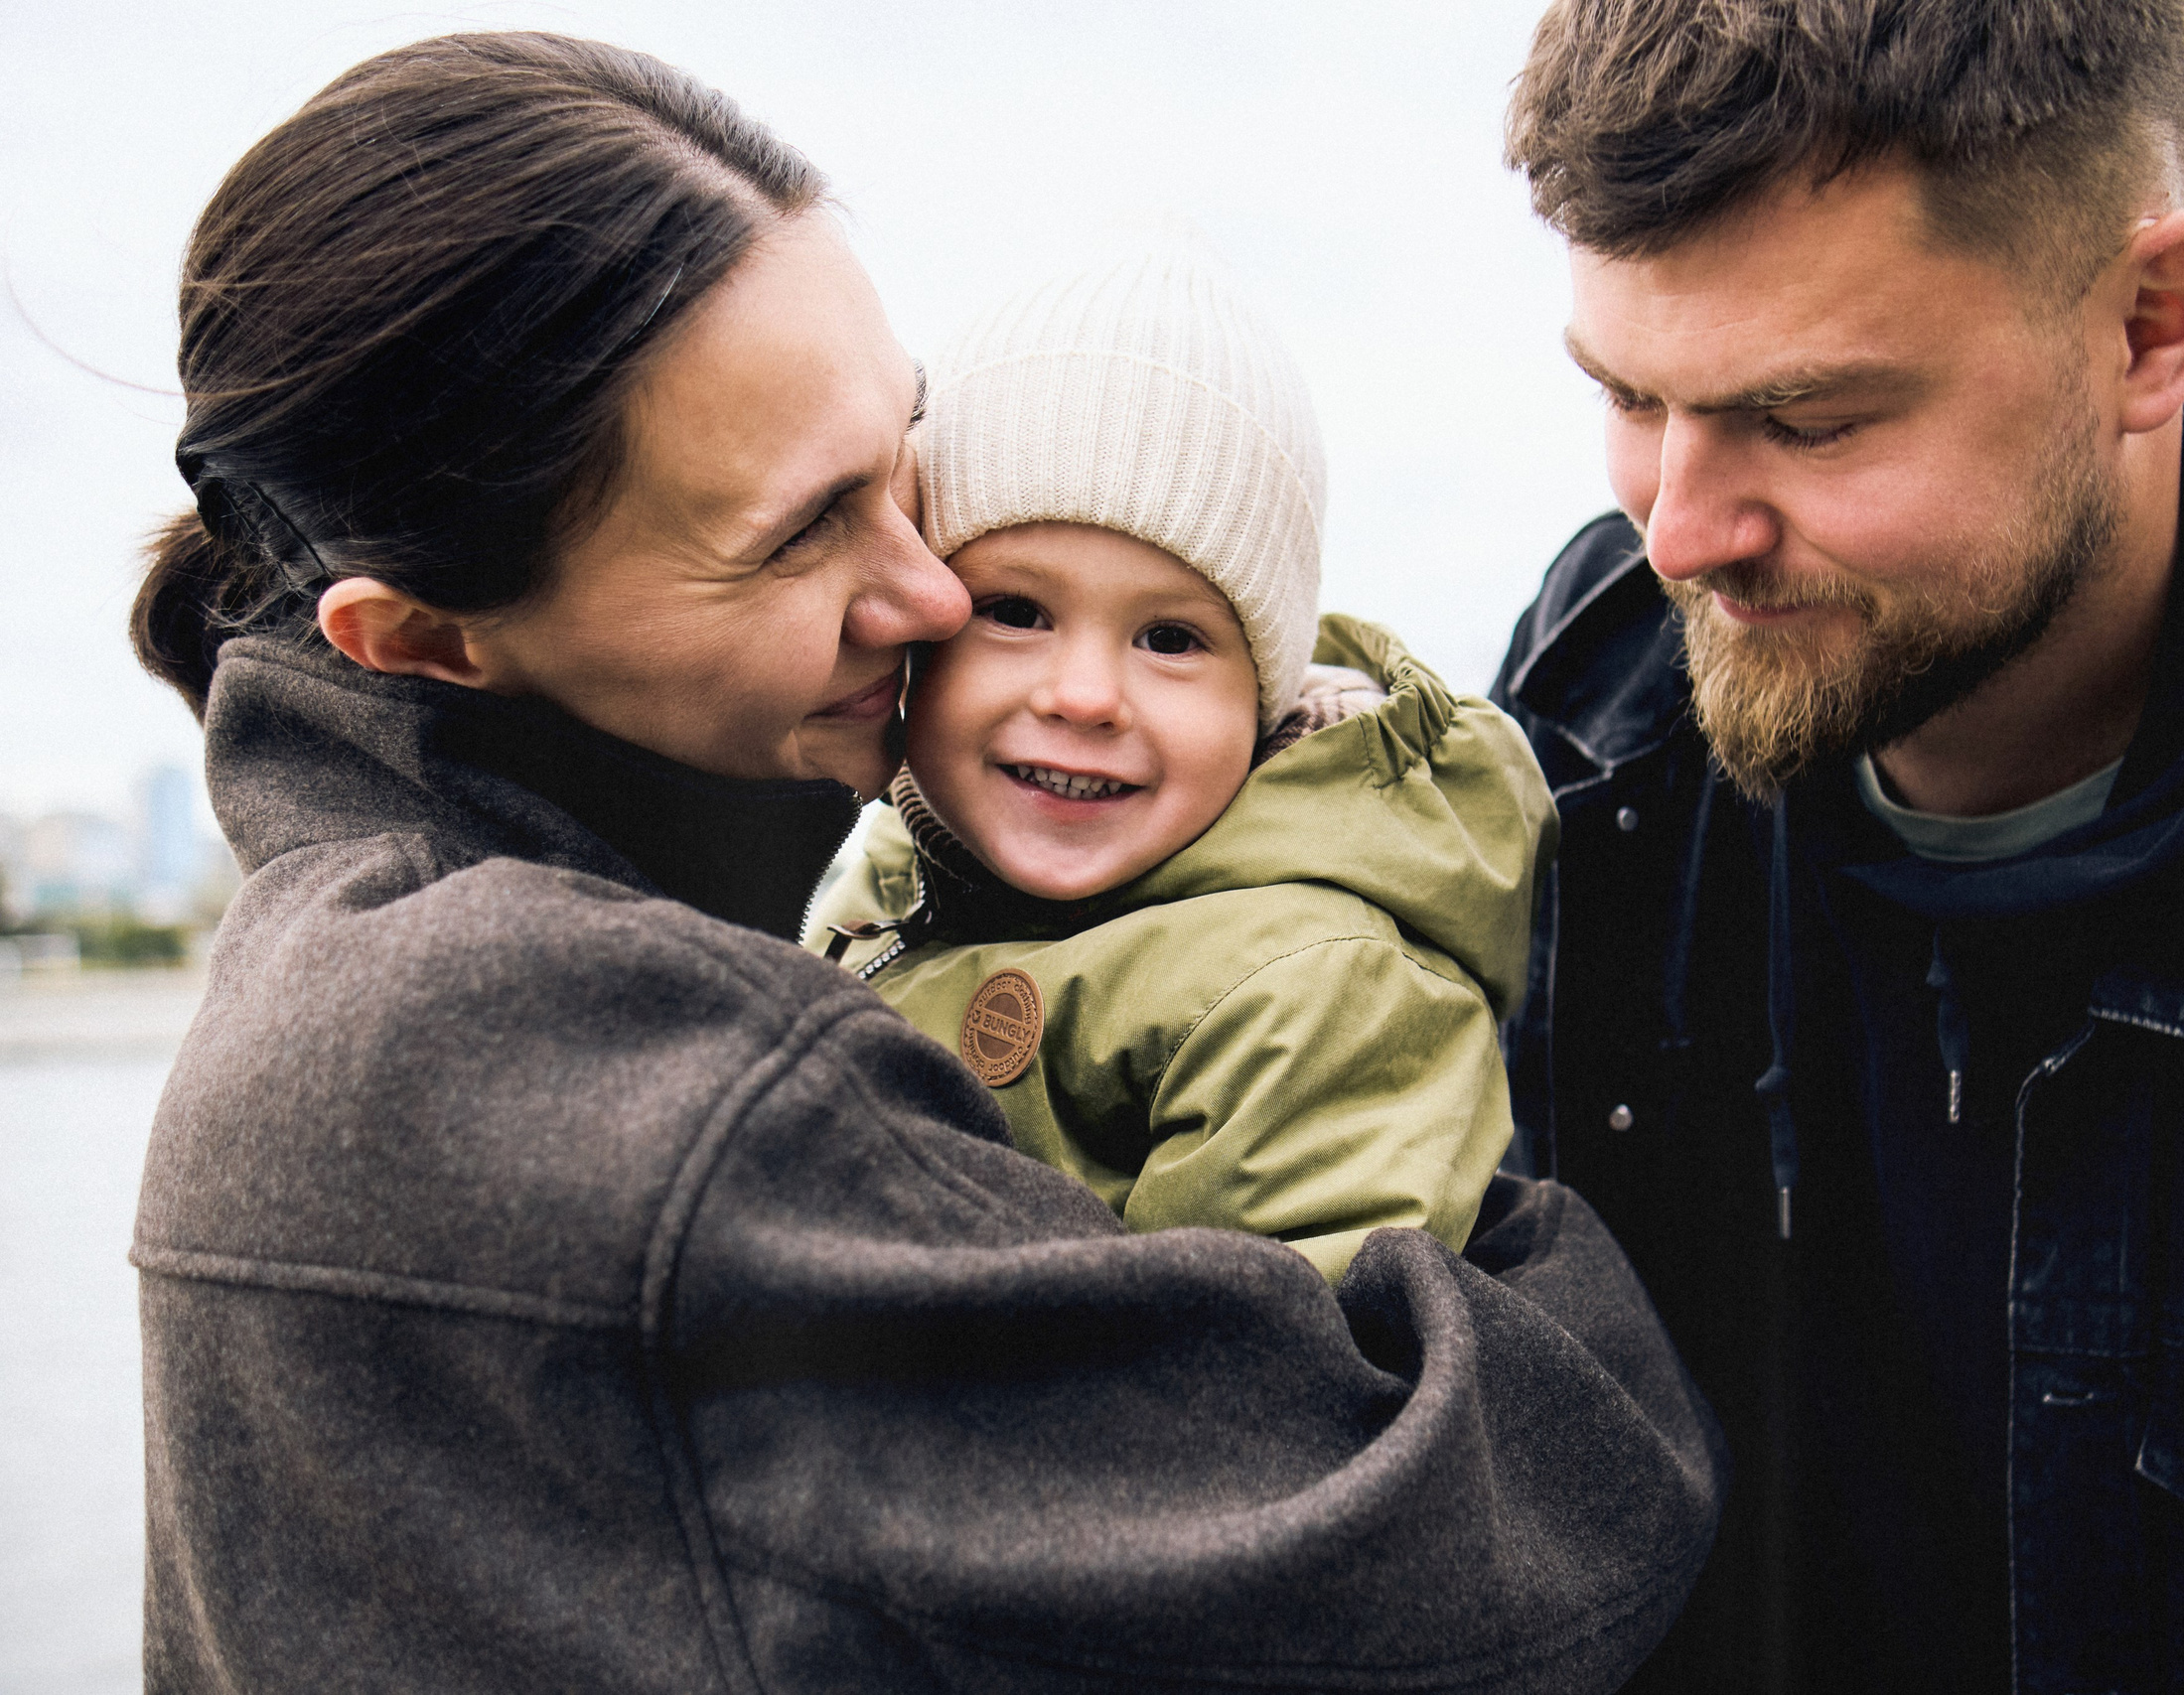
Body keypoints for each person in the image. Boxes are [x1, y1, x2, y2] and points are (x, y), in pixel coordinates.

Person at [127, 32, 1724, 1692]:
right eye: (799, 532)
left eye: (899, 460)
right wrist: (1554, 1278)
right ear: (426, 639)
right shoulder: (596, 1062)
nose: (933, 590)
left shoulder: (335, 964)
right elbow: (1428, 1561)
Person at [1489, 0, 2184, 1690]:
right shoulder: (1582, 737)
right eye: (1628, 393)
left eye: (1809, 419)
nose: (1679, 534)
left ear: (2147, 326)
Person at [811, 251, 1550, 1284]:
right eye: (1015, 612)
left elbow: (1251, 1356)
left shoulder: (1318, 991)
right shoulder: (894, 863)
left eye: (1169, 639)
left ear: (1263, 698)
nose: (1084, 696)